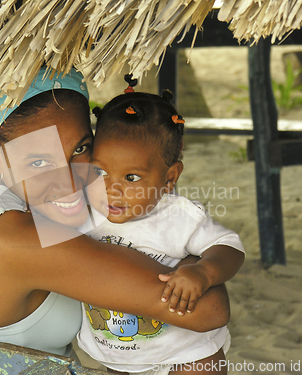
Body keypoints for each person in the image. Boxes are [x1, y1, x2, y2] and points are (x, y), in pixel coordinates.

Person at [0, 67, 235, 360]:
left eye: (80, 149)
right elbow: (211, 310)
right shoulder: (23, 241)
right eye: (40, 163)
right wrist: (192, 261)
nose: (70, 182)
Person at [76, 77, 245, 375]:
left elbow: (229, 247)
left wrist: (203, 272)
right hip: (115, 356)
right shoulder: (83, 210)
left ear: (169, 178)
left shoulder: (178, 217)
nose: (111, 188)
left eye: (131, 178)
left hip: (186, 355)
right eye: (100, 170)